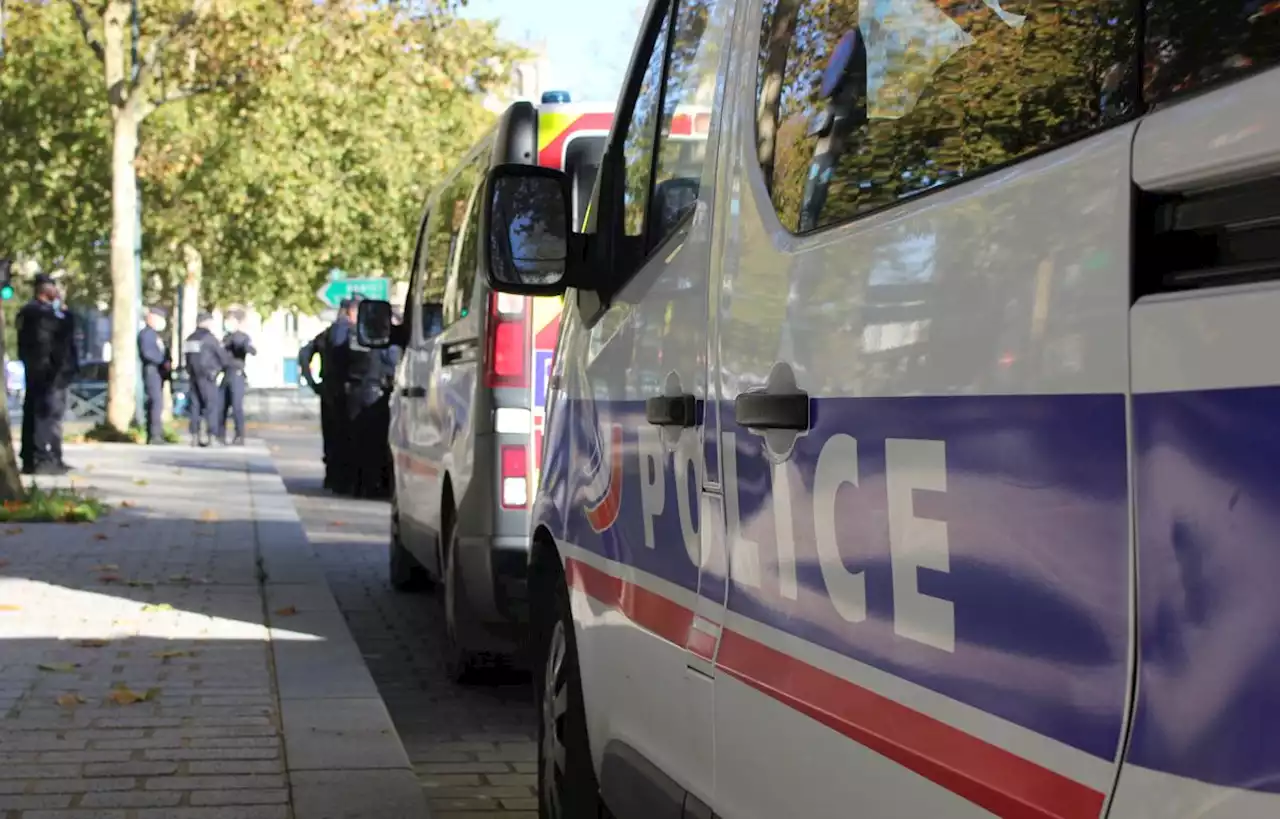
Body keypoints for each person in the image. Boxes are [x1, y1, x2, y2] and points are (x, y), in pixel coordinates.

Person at [16, 274, 73, 475]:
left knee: (46, 416)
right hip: (44, 373)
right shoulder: (36, 313)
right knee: (43, 416)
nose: (57, 292)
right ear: (44, 290)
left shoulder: (41, 312)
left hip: (47, 373)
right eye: (53, 288)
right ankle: (40, 457)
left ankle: (47, 456)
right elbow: (55, 337)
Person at [182, 312, 230, 447]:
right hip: (208, 376)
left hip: (193, 376)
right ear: (206, 322)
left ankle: (195, 436)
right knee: (211, 406)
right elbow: (223, 358)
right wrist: (219, 369)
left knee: (195, 406)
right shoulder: (210, 339)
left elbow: (187, 358)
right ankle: (211, 436)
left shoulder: (190, 339)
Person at [219, 310, 256, 445]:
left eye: (230, 321)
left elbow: (250, 349)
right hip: (226, 373)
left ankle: (239, 435)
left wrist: (242, 346)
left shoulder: (242, 337)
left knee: (236, 406)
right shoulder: (225, 337)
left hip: (237, 373)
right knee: (221, 406)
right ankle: (220, 434)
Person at [137, 307, 171, 445]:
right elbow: (148, 353)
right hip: (152, 371)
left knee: (157, 403)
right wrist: (161, 361)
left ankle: (157, 433)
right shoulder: (146, 334)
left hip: (158, 372)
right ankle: (154, 435)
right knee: (155, 402)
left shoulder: (156, 335)